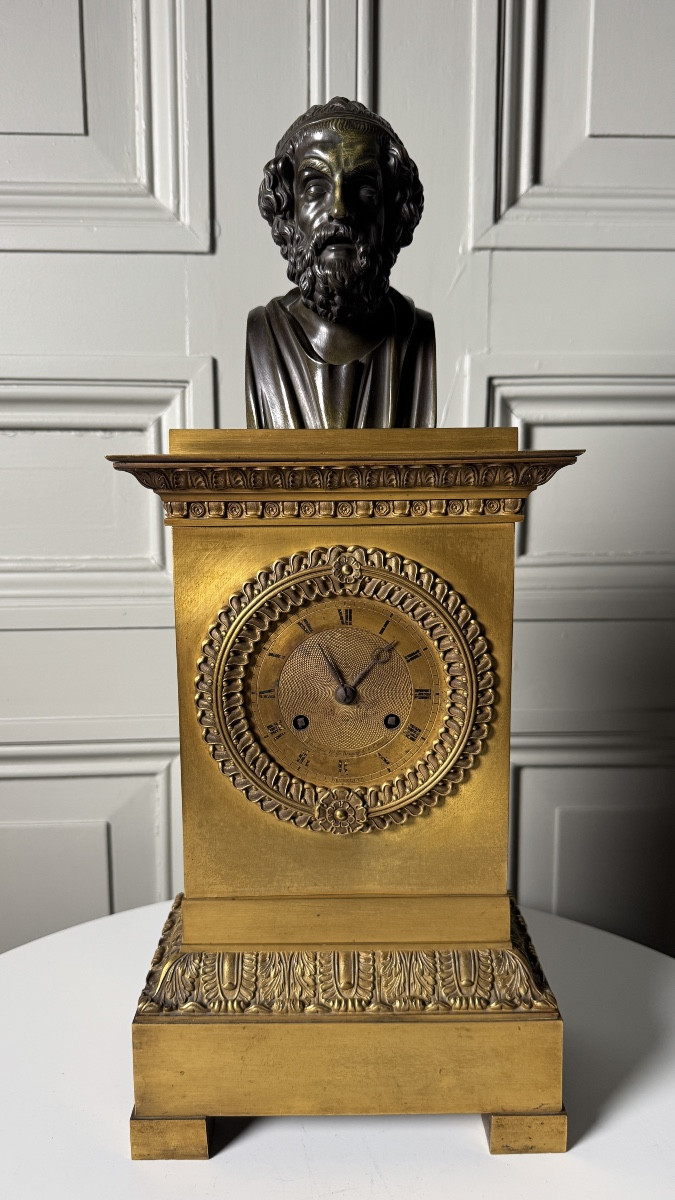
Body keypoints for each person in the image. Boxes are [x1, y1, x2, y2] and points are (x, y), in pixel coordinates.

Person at [246, 97, 436, 429]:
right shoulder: (264, 336)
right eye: (316, 187)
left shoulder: (415, 336)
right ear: (289, 213)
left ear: (390, 214)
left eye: (363, 189)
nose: (339, 209)